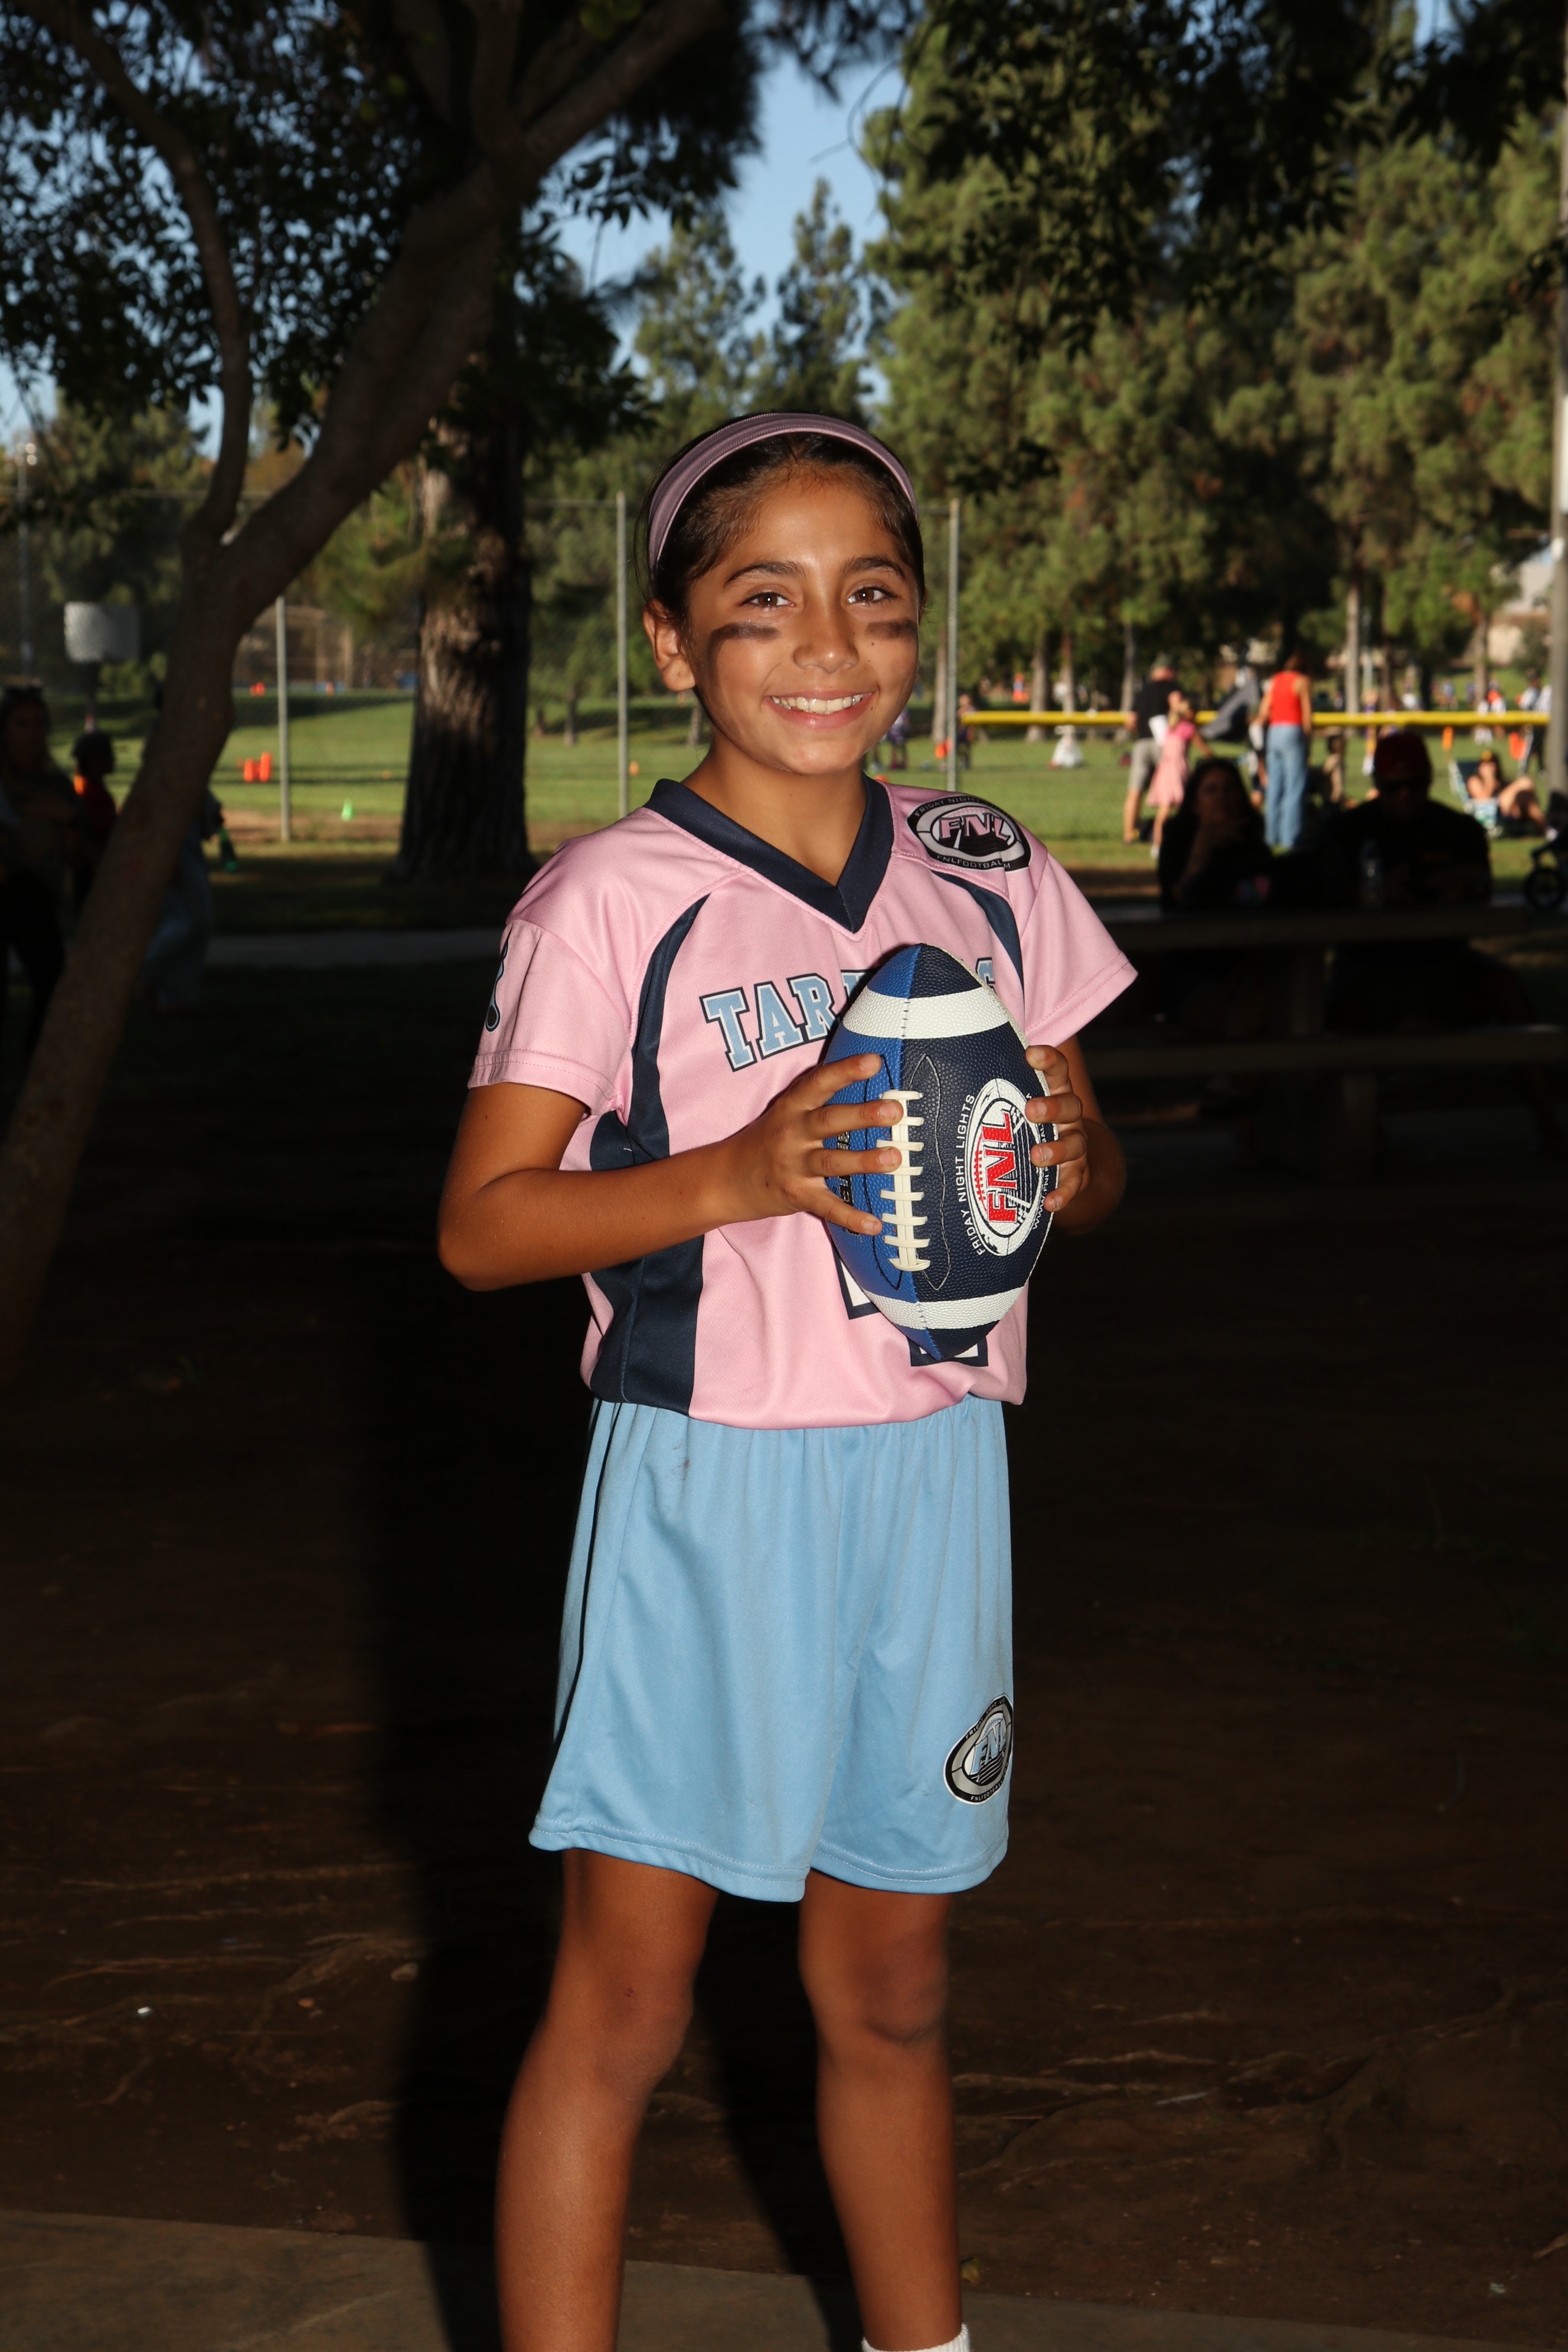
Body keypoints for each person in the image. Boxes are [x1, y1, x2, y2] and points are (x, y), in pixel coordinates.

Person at [436, 412, 1135, 2352]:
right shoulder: (611, 897)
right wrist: (740, 1175)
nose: (827, 645)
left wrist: (1072, 1162)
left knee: (892, 1987)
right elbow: (482, 1228)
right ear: (673, 641)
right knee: (626, 2000)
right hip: (708, 1484)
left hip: (937, 1475)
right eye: (764, 602)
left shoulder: (988, 872)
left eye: (871, 596)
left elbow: (1089, 1172)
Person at [1324, 729, 1560, 1142]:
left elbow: (1484, 898)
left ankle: (1549, 1121)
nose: (1405, 796)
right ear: (1377, 784)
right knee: (1330, 1023)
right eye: (1393, 787)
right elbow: (1318, 894)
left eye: (1414, 785)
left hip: (1443, 965)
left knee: (1506, 988)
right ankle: (1357, 1136)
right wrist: (1366, 893)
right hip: (1369, 969)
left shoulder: (1457, 829)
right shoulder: (1348, 831)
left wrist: (1467, 886)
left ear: (1429, 780)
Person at [0, 684, 74, 1070]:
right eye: (22, 723)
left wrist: (67, 818)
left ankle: (40, 1065)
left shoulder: (55, 784)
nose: (32, 732)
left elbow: (79, 851)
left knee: (52, 983)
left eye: (39, 723)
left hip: (36, 896)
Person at [1260, 648, 1314, 848]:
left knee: (1274, 787)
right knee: (1294, 787)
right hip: (1292, 730)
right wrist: (1309, 740)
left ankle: (1271, 836)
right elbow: (1307, 716)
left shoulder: (1276, 680)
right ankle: (1291, 837)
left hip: (1274, 732)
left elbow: (1264, 711)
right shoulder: (1302, 681)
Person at [1122, 659, 1179, 843]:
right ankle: (1164, 834)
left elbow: (1130, 721)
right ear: (1168, 670)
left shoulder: (1143, 690)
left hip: (1142, 743)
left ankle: (1129, 834)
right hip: (1164, 744)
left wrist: (1142, 730)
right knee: (1169, 789)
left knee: (1135, 790)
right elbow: (1177, 706)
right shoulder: (1171, 687)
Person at [1145, 689, 1206, 852]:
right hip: (1178, 771)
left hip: (1165, 770)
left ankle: (1158, 845)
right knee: (1184, 809)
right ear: (1190, 713)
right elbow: (1204, 748)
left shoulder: (1171, 727)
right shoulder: (1188, 728)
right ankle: (1185, 841)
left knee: (1164, 810)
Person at [1467, 747, 1546, 835]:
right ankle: (1547, 828)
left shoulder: (1502, 782)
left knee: (1526, 798)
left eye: (1492, 764)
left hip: (1512, 809)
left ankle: (1545, 828)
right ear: (1480, 767)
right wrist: (1490, 780)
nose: (1489, 767)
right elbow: (1484, 800)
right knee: (1525, 782)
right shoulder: (1474, 781)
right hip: (1493, 810)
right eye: (1485, 764)